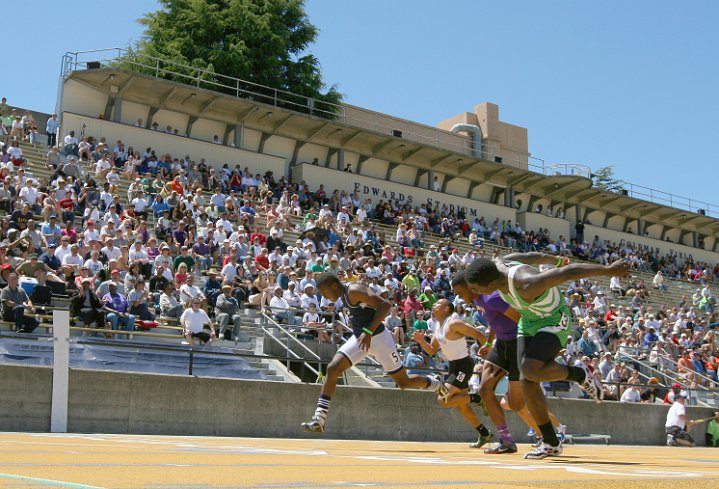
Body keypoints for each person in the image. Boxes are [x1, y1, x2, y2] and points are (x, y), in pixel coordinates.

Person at [464, 253, 629, 459]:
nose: (475, 293)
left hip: (553, 318)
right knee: (527, 382)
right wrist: (555, 259)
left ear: (489, 284)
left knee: (530, 369)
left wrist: (608, 270)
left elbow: (568, 272)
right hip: (529, 320)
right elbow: (529, 256)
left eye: (476, 289)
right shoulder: (497, 262)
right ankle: (551, 443)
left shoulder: (525, 283)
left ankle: (579, 374)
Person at [301, 273, 447, 433]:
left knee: (404, 382)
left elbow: (385, 305)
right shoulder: (343, 293)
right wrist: (365, 333)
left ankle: (436, 383)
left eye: (324, 291)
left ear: (334, 286)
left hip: (378, 339)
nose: (323, 296)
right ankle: (319, 419)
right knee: (332, 369)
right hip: (361, 339)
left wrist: (368, 331)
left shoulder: (353, 291)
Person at [452, 270, 565, 454]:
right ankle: (507, 441)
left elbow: (524, 319)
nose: (459, 297)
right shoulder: (478, 301)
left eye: (460, 292)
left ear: (470, 287)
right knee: (484, 388)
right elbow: (494, 321)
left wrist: (545, 343)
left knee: (516, 404)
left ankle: (550, 432)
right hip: (501, 345)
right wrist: (489, 342)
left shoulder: (493, 298)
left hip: (518, 345)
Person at [412, 299, 494, 449]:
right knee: (460, 404)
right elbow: (431, 350)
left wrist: (487, 349)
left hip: (464, 365)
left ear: (446, 309)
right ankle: (484, 433)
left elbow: (479, 334)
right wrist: (421, 341)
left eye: (438, 304)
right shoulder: (438, 325)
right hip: (453, 366)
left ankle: (477, 397)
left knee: (443, 399)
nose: (434, 305)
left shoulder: (454, 323)